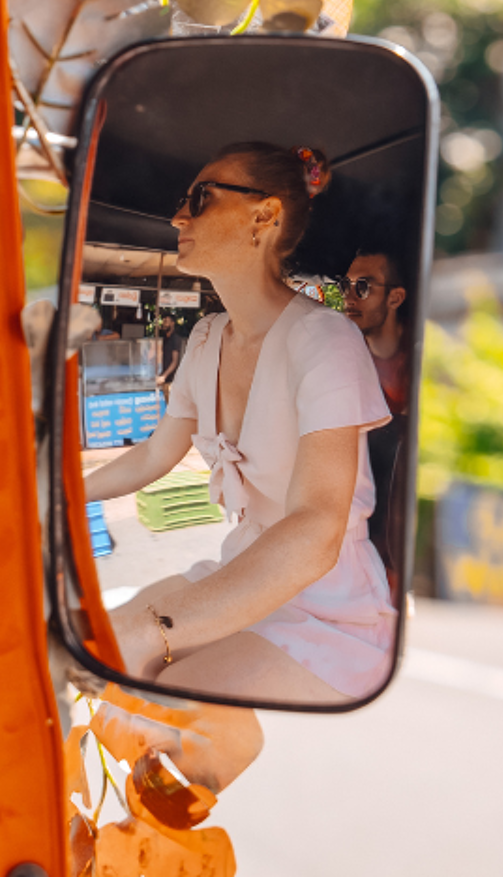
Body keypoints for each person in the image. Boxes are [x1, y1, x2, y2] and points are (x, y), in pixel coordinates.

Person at [85, 142, 396, 716]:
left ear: (265, 216)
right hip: (241, 568)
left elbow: (315, 529)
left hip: (325, 598)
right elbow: (155, 454)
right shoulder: (204, 339)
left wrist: (159, 631)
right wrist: (50, 492)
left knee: (167, 709)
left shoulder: (326, 340)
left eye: (200, 199)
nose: (179, 216)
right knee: (97, 646)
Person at [340, 243, 410, 417]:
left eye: (363, 287)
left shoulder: (425, 349)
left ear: (395, 298)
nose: (348, 298)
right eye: (345, 286)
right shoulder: (343, 355)